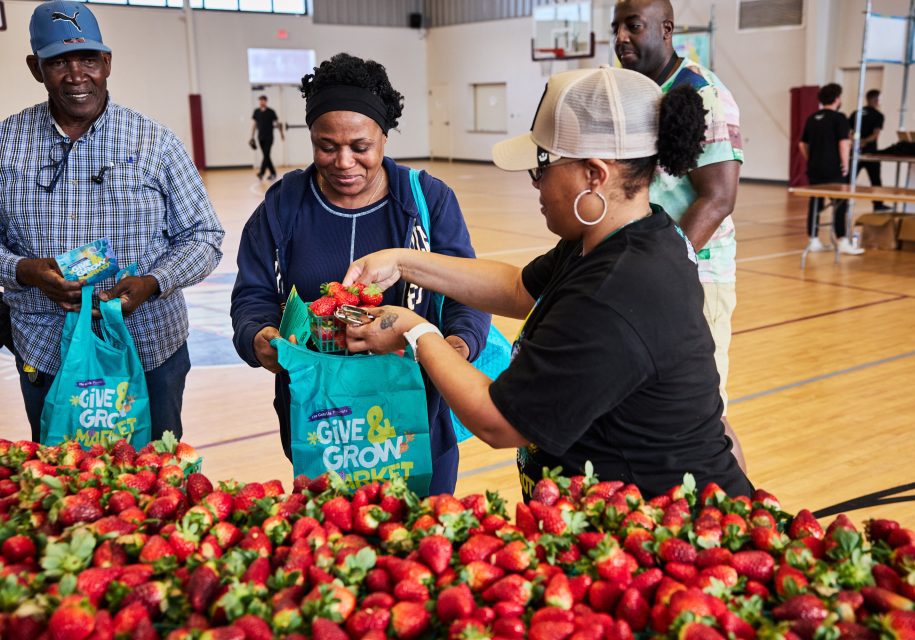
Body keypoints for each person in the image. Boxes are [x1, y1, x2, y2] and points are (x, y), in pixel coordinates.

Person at [341, 67, 753, 501]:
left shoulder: (615, 288)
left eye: (542, 167)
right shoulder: (615, 236)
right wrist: (404, 262)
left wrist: (414, 330)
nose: (534, 183)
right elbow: (519, 288)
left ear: (595, 174)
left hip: (656, 527)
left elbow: (498, 421)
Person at [230, 53, 490, 495]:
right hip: (321, 425)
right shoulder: (284, 204)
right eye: (326, 146)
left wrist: (455, 348)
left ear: (384, 137)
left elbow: (466, 290)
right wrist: (259, 336)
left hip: (415, 418)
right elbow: (252, 293)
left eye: (360, 147)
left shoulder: (426, 201)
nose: (344, 162)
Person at [0, 1, 224, 442]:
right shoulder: (6, 144)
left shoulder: (155, 142)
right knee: (63, 483)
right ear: (35, 68)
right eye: (58, 62)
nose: (76, 75)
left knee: (157, 482)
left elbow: (205, 236)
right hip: (47, 349)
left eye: (88, 59)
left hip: (149, 348)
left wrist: (153, 282)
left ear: (107, 63)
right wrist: (23, 271)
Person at [612, 0, 746, 472]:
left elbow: (717, 199)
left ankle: (740, 510)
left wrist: (669, 266)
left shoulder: (703, 93)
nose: (621, 37)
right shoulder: (634, 93)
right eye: (617, 28)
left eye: (634, 26)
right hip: (643, 273)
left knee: (705, 413)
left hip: (695, 277)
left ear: (666, 29)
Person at [799, 83, 864, 255]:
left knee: (815, 203)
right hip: (834, 169)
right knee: (840, 203)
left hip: (814, 168)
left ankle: (813, 240)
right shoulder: (839, 118)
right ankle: (842, 240)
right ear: (837, 99)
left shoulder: (812, 118)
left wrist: (811, 159)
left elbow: (802, 144)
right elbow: (844, 143)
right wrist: (846, 165)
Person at [849, 89, 890, 211]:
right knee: (875, 180)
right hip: (871, 153)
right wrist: (865, 142)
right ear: (875, 99)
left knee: (850, 179)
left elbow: (849, 132)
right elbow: (875, 134)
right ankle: (878, 205)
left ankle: (843, 203)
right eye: (880, 99)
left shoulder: (856, 113)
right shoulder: (878, 115)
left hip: (856, 152)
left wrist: (857, 142)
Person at [251, 95, 284, 181]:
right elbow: (254, 124)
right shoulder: (256, 112)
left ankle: (261, 173)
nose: (261, 102)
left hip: (269, 137)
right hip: (260, 137)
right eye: (260, 100)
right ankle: (273, 173)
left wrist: (281, 134)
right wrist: (252, 136)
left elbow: (277, 123)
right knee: (266, 156)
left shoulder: (271, 112)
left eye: (263, 100)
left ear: (266, 101)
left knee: (266, 155)